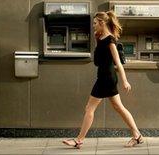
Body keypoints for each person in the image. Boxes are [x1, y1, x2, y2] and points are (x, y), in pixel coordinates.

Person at [62, 11, 144, 149]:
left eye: (95, 23)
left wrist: (125, 81)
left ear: (102, 23)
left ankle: (79, 140)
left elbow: (117, 62)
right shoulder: (100, 38)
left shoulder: (110, 40)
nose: (93, 26)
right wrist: (96, 39)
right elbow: (98, 59)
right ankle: (138, 136)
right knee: (119, 107)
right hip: (104, 77)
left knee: (90, 108)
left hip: (106, 78)